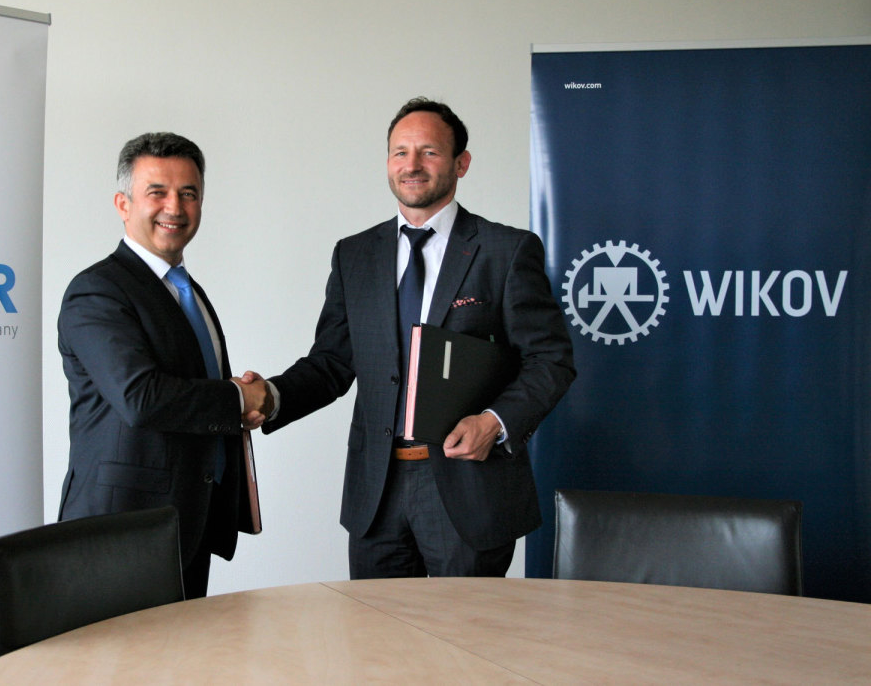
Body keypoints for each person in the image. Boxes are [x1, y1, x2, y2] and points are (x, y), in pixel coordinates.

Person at [256, 98, 575, 578]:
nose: (412, 165)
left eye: (429, 152)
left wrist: (495, 422)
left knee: (464, 627)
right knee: (377, 627)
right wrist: (271, 396)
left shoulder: (506, 251)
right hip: (376, 491)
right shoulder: (354, 255)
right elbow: (331, 364)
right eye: (400, 152)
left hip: (469, 487)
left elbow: (550, 360)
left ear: (461, 163)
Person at [57, 132, 271, 598]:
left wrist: (241, 405)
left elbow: (194, 392)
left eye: (188, 193)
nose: (175, 206)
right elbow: (142, 398)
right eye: (157, 192)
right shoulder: (96, 291)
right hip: (120, 532)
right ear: (123, 204)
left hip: (187, 523)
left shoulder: (188, 293)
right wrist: (236, 398)